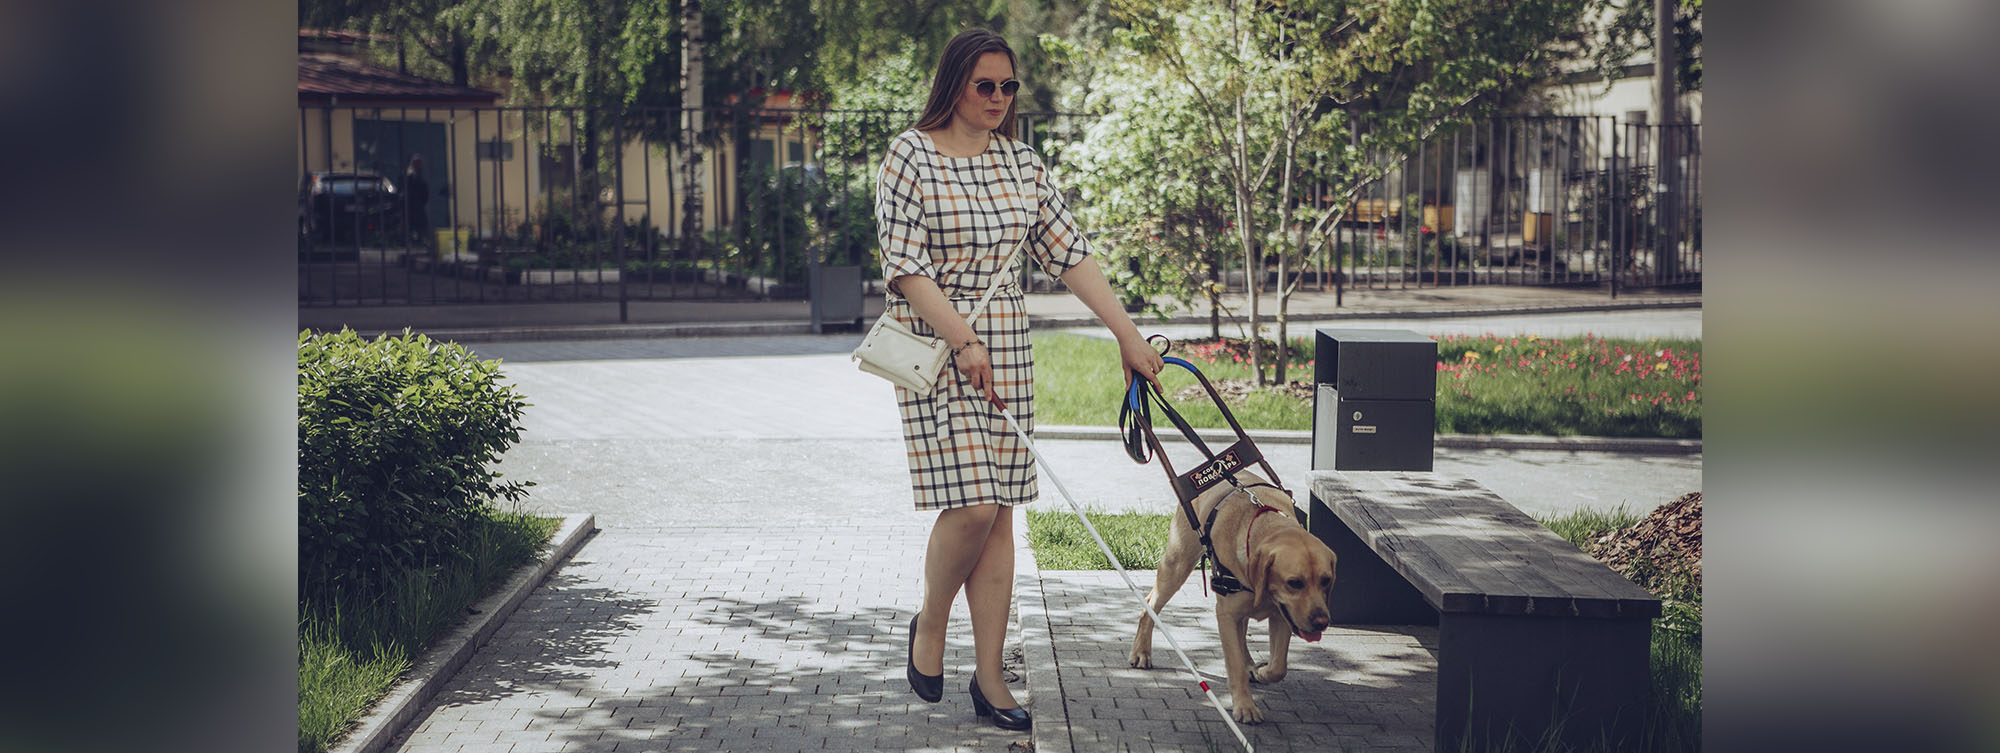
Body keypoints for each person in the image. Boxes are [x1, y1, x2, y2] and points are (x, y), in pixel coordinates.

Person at [877, 28, 1165, 731]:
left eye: (1009, 86)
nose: (999, 98)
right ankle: (931, 622)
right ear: (954, 84)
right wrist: (962, 339)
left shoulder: (1022, 164)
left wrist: (1126, 334)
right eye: (986, 85)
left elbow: (1070, 255)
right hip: (936, 345)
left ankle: (990, 678)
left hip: (1005, 346)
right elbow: (906, 268)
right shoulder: (909, 156)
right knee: (974, 505)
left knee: (1002, 510)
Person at [403, 154, 432, 246]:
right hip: (410, 208)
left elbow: (425, 193)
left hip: (418, 208)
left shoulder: (421, 176)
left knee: (421, 228)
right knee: (410, 227)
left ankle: (420, 241)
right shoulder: (409, 177)